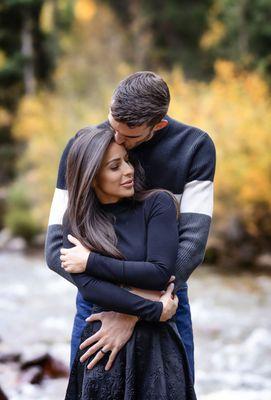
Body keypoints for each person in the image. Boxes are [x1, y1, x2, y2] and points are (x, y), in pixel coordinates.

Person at [45, 71, 216, 382]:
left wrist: (132, 311)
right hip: (97, 301)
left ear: (158, 126)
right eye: (113, 126)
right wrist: (119, 300)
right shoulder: (84, 146)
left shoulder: (194, 147)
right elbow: (56, 250)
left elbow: (190, 247)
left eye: (130, 136)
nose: (117, 140)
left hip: (166, 299)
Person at [62, 127, 196, 399]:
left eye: (127, 160)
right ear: (91, 177)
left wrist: (90, 260)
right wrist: (154, 309)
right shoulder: (76, 221)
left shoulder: (158, 204)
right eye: (115, 166)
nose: (128, 170)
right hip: (102, 345)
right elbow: (91, 289)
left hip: (155, 343)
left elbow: (159, 274)